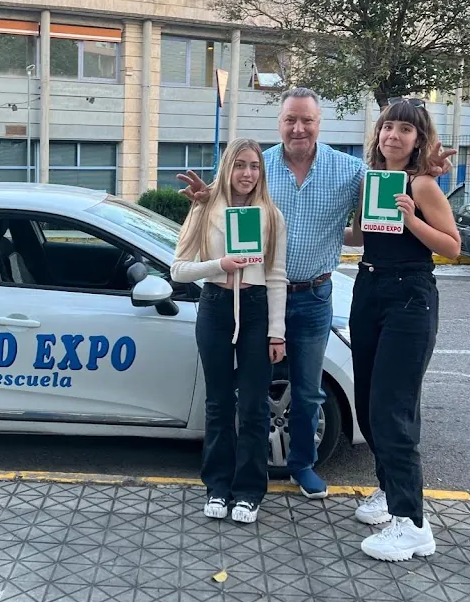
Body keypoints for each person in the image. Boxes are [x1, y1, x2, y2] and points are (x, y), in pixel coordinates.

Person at [179, 87, 455, 500]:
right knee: (250, 389)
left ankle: (302, 464)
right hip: (257, 296)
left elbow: (392, 187)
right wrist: (207, 201)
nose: (298, 128)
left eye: (307, 120)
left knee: (308, 389)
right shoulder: (260, 165)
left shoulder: (348, 170)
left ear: (318, 123)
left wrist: (427, 172)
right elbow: (225, 200)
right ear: (280, 123)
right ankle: (237, 469)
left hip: (313, 296)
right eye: (291, 119)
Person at [347, 97, 460, 561]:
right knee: (369, 403)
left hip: (409, 296)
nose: (393, 135)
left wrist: (412, 217)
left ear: (418, 139)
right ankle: (389, 492)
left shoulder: (424, 185)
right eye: (387, 127)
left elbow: (452, 247)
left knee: (393, 409)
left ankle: (412, 523)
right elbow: (360, 236)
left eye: (404, 130)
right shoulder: (374, 179)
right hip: (368, 287)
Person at [170, 139, 288, 523]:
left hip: (256, 310)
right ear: (227, 168)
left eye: (254, 166)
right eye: (240, 165)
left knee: (254, 407)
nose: (247, 174)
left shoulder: (271, 215)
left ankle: (249, 491)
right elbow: (178, 269)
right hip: (216, 308)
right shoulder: (205, 209)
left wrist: (276, 331)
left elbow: (277, 276)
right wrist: (219, 264)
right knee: (219, 405)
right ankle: (217, 487)